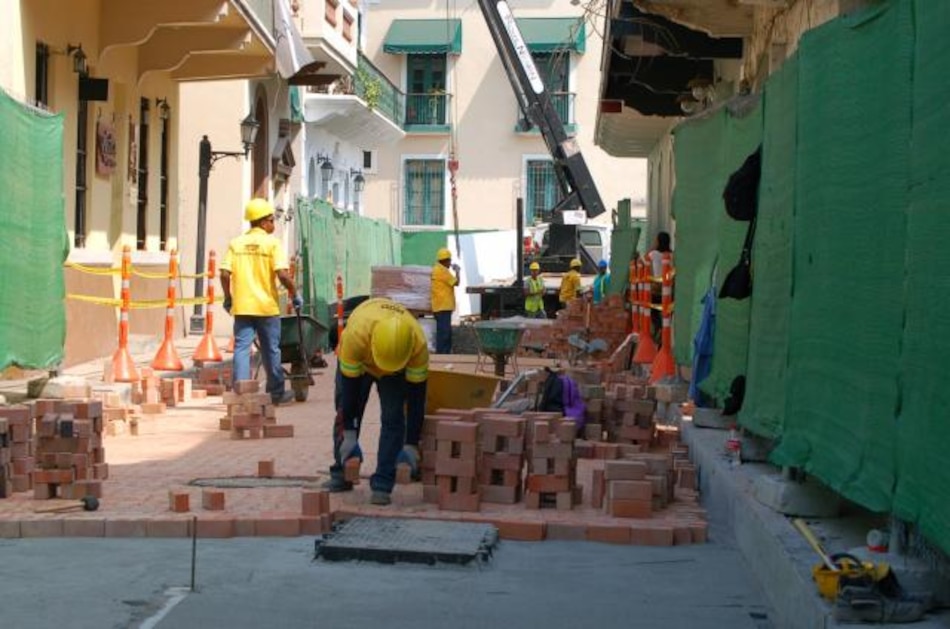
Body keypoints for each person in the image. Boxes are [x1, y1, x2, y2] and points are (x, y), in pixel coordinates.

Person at [325, 297, 429, 506]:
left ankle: (383, 484)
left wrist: (411, 443)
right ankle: (342, 469)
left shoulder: (417, 345)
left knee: (394, 418)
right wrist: (350, 432)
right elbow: (349, 394)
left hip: (396, 370)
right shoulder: (355, 337)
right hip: (361, 363)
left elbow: (417, 399)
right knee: (345, 410)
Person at [219, 198, 300, 406]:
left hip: (243, 307)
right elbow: (282, 274)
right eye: (272, 220)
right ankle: (276, 394)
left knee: (241, 349)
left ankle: (241, 394)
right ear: (263, 222)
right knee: (271, 350)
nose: (274, 224)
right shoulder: (272, 244)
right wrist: (294, 293)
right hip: (267, 308)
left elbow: (224, 273)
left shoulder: (236, 244)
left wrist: (229, 298)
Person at [431, 247, 460, 354]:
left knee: (442, 332)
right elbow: (456, 283)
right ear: (445, 260)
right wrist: (457, 271)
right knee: (445, 333)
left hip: (439, 306)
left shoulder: (437, 269)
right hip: (443, 307)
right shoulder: (443, 271)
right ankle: (444, 355)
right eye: (449, 260)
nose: (450, 263)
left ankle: (443, 354)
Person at [647, 231, 672, 345]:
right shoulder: (672, 255)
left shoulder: (654, 254)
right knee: (667, 312)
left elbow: (645, 258)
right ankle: (665, 332)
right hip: (669, 289)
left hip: (657, 288)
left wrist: (653, 247)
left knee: (653, 310)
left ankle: (659, 328)